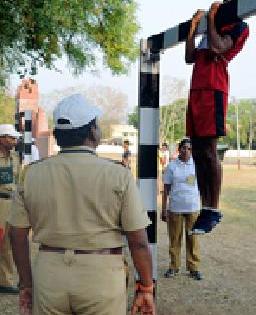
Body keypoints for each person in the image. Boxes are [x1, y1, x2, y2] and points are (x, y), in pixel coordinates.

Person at [8, 94, 156, 315]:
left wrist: (26, 284)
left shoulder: (31, 174)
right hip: (101, 276)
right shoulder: (118, 175)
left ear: (57, 136)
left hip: (49, 275)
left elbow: (17, 236)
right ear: (92, 132)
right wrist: (145, 287)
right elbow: (139, 242)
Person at [185, 1, 249, 234]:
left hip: (214, 90)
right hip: (196, 90)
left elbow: (218, 47)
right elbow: (190, 56)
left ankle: (214, 208)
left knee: (210, 151)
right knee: (198, 152)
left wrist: (211, 19)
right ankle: (205, 207)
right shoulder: (214, 22)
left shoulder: (240, 25)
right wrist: (193, 27)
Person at [161, 138, 202, 280]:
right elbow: (166, 189)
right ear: (179, 149)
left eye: (189, 148)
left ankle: (193, 267)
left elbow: (202, 186)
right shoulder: (172, 166)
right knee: (175, 239)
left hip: (192, 207)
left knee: (193, 239)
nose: (186, 151)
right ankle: (174, 266)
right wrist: (163, 209)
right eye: (184, 148)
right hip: (175, 208)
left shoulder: (196, 165)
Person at [0, 124, 21, 294]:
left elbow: (17, 181)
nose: (15, 141)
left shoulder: (15, 158)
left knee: (8, 243)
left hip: (11, 203)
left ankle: (5, 280)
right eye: (11, 138)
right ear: (1, 138)